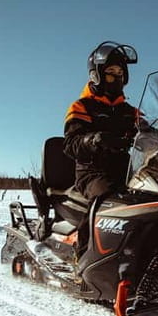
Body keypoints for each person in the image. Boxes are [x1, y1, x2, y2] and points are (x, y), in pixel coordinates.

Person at [63, 41, 140, 257]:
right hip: (92, 172)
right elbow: (70, 144)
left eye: (119, 73)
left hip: (127, 171)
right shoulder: (82, 106)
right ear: (96, 75)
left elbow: (151, 133)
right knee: (107, 198)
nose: (116, 77)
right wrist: (94, 140)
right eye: (110, 72)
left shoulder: (130, 111)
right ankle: (85, 257)